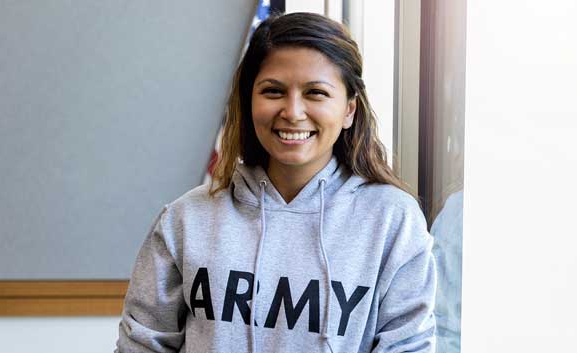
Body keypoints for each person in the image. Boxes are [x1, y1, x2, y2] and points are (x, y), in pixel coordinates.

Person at [116, 12, 436, 353]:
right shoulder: (185, 219)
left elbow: (408, 346)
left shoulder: (392, 220)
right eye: (273, 91)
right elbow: (142, 345)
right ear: (248, 101)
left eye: (316, 93)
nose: (293, 111)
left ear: (349, 110)